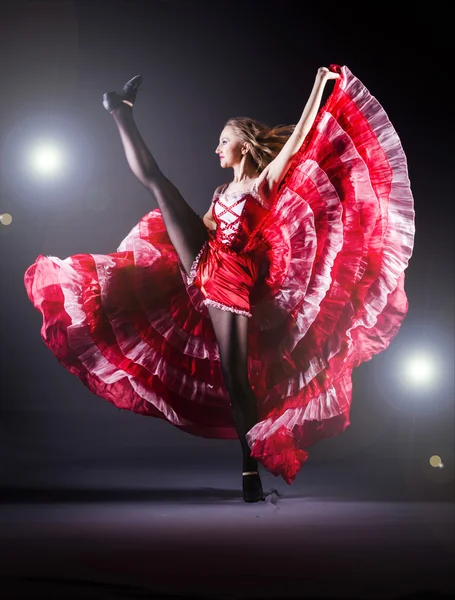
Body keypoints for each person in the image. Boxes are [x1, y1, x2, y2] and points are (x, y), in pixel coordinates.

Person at [24, 65, 415, 503]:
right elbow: (206, 228)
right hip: (206, 258)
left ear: (245, 146)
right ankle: (121, 112)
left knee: (235, 379)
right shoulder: (219, 192)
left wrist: (320, 87)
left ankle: (249, 467)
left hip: (233, 277)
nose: (216, 149)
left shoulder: (263, 182)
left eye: (224, 141)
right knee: (159, 185)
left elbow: (301, 139)